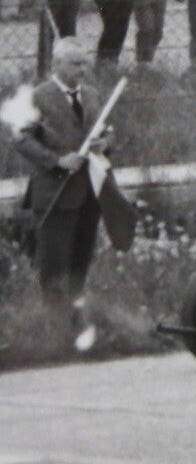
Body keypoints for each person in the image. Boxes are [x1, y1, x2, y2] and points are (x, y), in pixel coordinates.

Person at [14, 39, 111, 349]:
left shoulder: (92, 94)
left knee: (80, 264)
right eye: (74, 64)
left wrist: (104, 144)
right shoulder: (37, 97)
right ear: (56, 64)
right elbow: (20, 139)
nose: (81, 70)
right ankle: (54, 334)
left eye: (84, 63)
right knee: (54, 268)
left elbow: (103, 131)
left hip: (88, 193)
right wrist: (57, 161)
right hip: (55, 194)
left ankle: (77, 330)